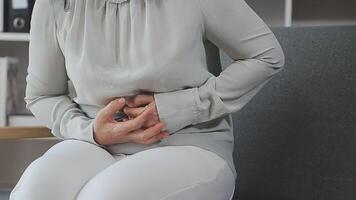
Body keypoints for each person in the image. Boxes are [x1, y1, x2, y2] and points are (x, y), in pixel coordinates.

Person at [10, 0, 285, 199]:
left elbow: (266, 56)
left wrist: (177, 108)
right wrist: (91, 131)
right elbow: (43, 95)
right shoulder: (56, 5)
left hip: (189, 146)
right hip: (97, 146)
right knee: (33, 193)